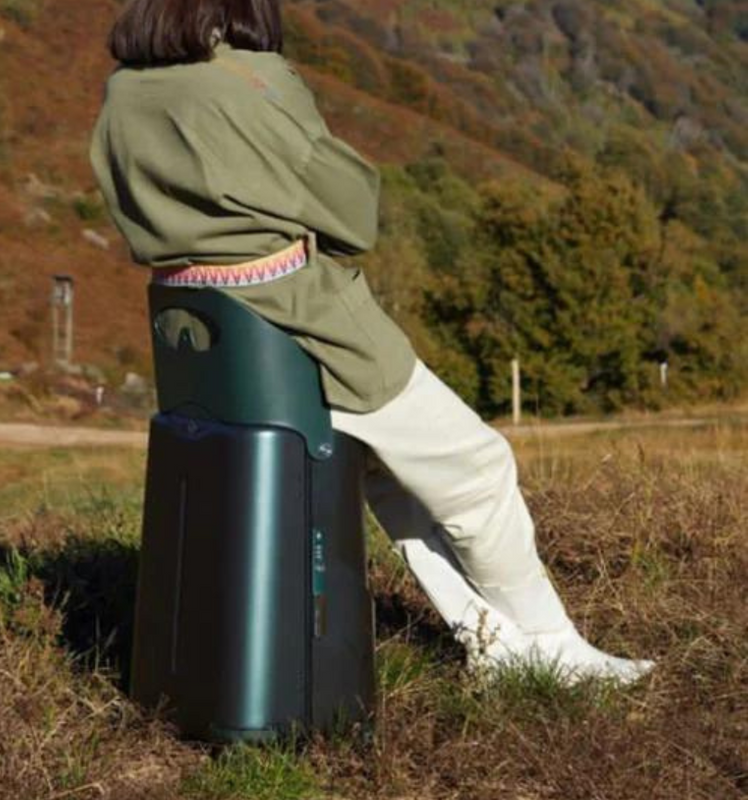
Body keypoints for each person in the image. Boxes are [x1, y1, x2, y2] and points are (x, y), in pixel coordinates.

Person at [89, 0, 655, 685]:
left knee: (391, 475)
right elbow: (353, 214)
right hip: (306, 321)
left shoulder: (124, 89)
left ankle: (496, 639)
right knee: (477, 468)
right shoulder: (249, 78)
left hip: (203, 324)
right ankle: (550, 646)